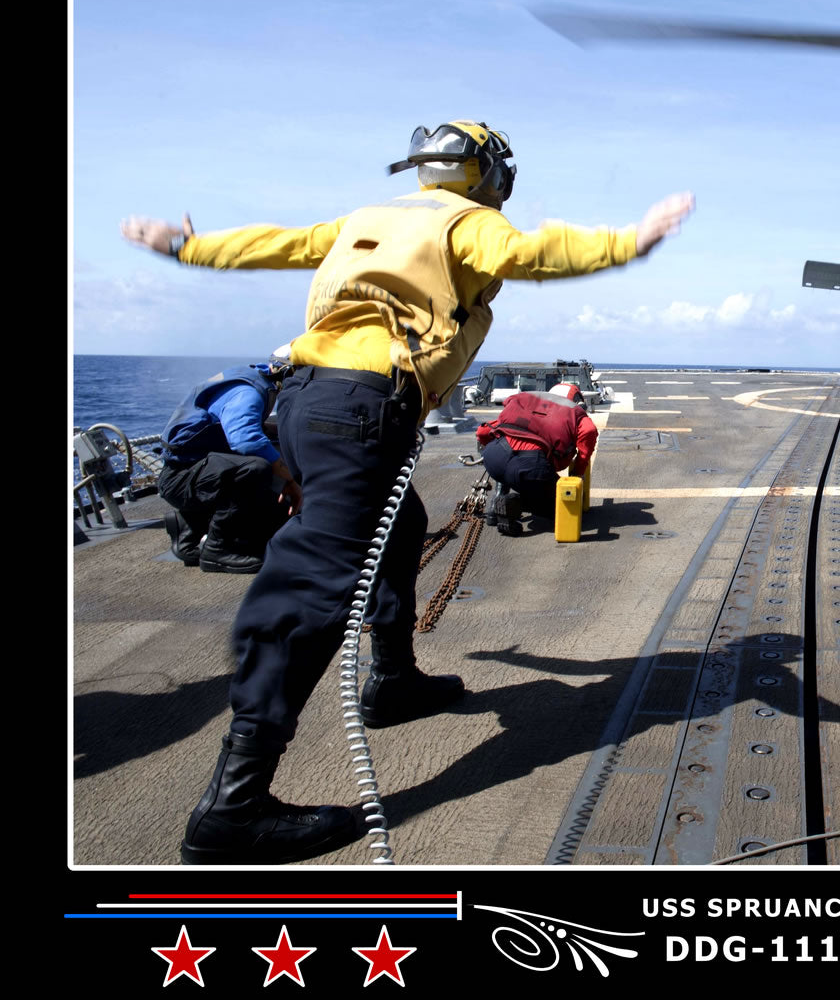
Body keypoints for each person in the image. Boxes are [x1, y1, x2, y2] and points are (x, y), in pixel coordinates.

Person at [121, 120, 692, 864]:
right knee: (311, 591)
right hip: (363, 405)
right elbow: (529, 255)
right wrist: (628, 240)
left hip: (302, 402)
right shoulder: (469, 222)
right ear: (485, 173)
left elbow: (275, 243)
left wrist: (187, 245)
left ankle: (392, 679)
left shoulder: (369, 219)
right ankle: (235, 806)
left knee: (403, 522)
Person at [157, 361, 300, 572]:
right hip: (182, 480)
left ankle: (189, 523)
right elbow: (246, 440)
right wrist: (290, 479)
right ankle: (217, 551)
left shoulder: (252, 382)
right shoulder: (248, 393)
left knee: (271, 515)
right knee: (256, 468)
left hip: (192, 474)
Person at [477, 382, 597, 535]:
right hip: (531, 467)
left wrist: (490, 451)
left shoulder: (525, 400)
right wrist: (578, 474)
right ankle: (513, 504)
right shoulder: (574, 413)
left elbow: (482, 432)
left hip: (494, 457)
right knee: (563, 508)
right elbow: (589, 431)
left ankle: (496, 503)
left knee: (507, 451)